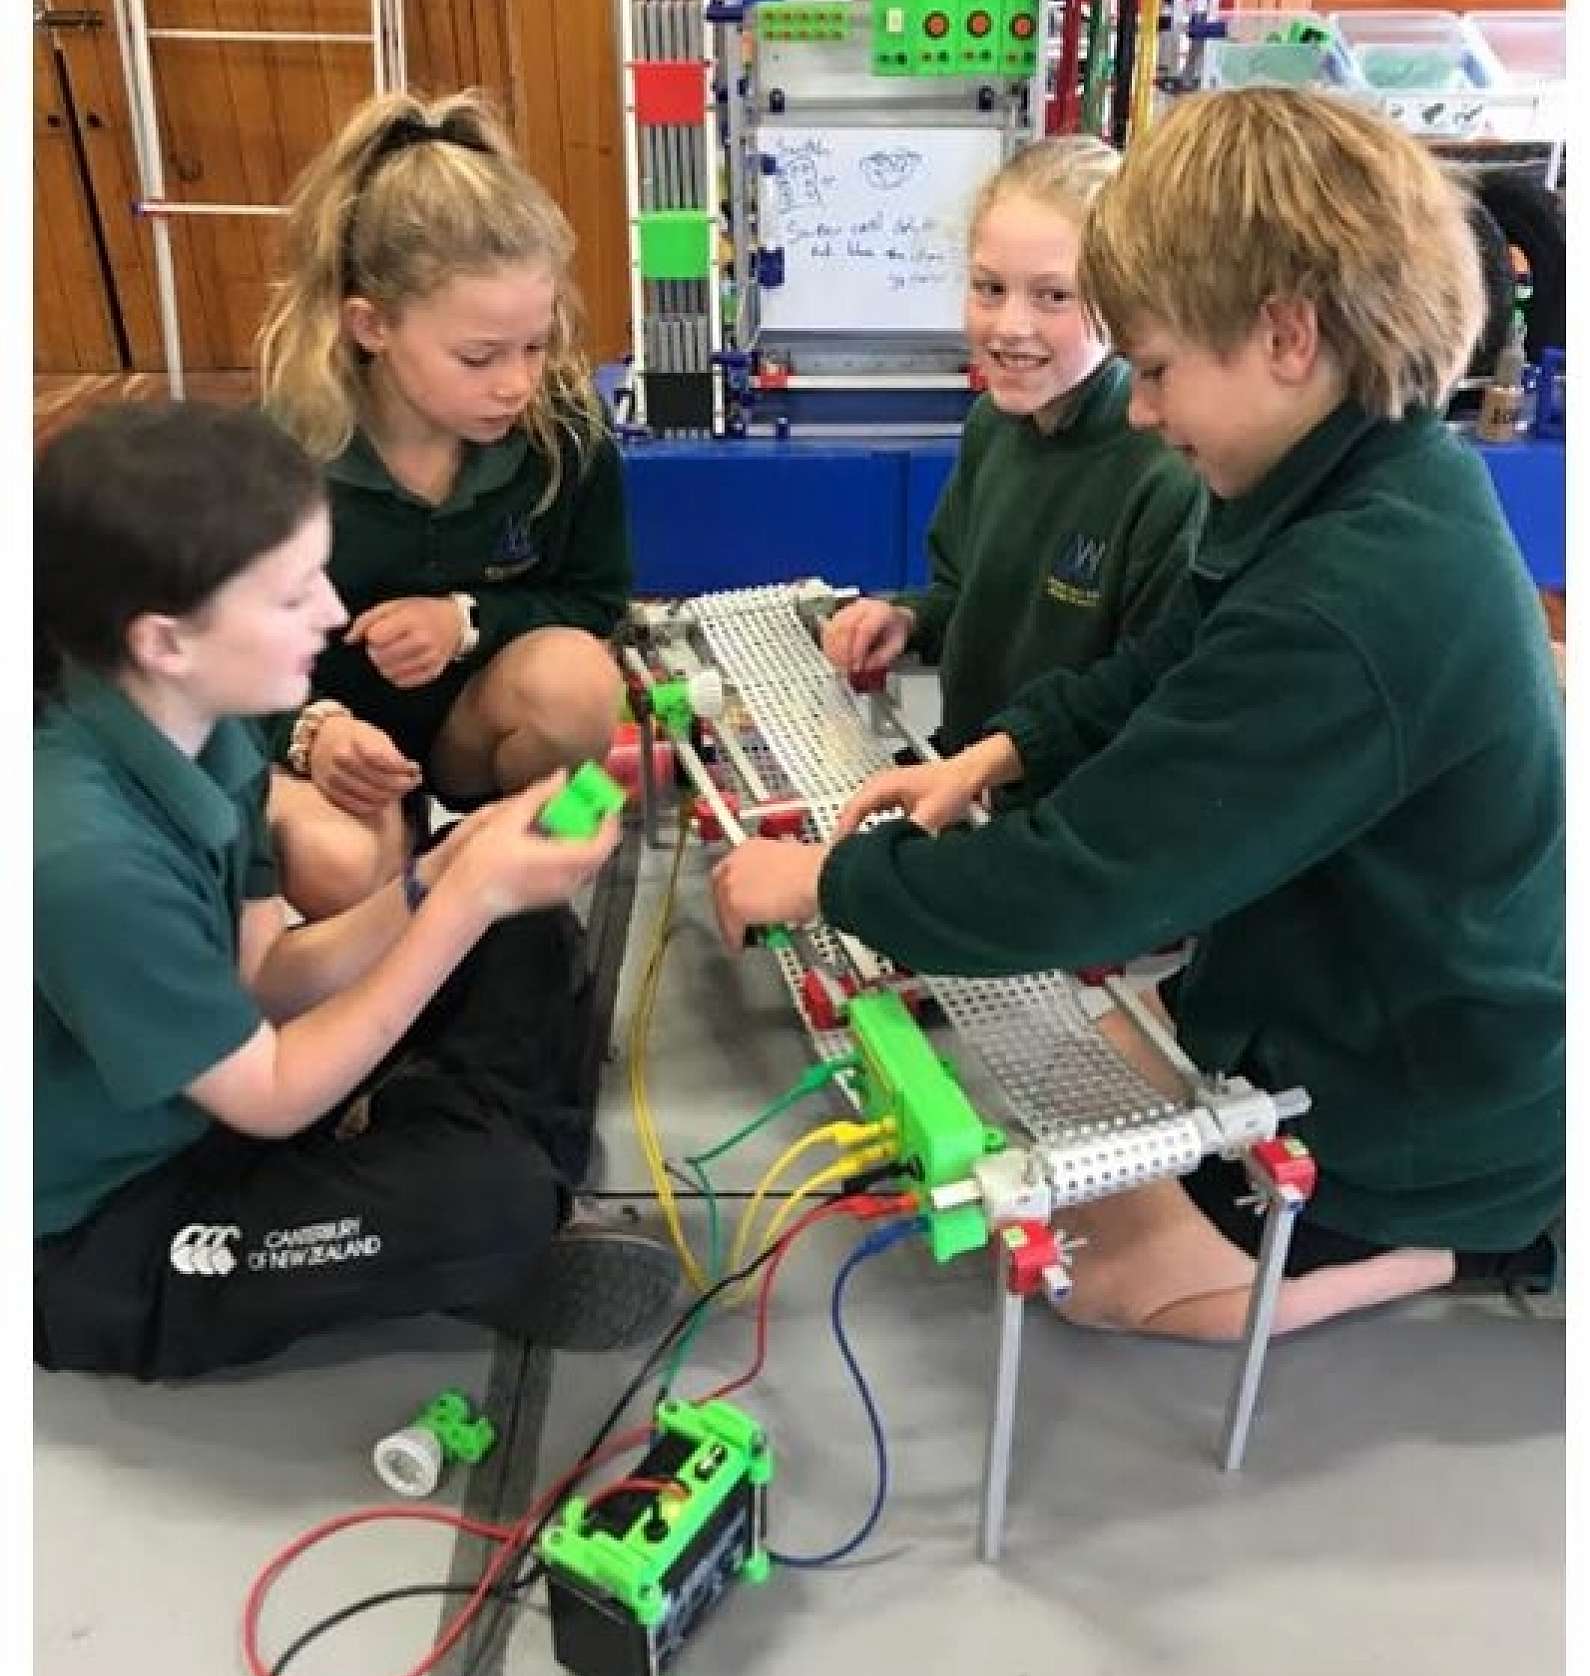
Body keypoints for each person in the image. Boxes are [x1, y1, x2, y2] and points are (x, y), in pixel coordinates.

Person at [711, 89, 1564, 1342]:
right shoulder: (1341, 466)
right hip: (1312, 977)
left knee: (1101, 1286)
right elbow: (1176, 653)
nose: (1146, 411)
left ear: (1285, 335)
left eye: (1157, 369)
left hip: (1416, 1089)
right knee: (1077, 1083)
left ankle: (1482, 1239)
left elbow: (1088, 882)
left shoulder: (1353, 597)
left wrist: (827, 883)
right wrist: (1001, 750)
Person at [35, 401, 676, 1382]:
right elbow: (270, 1094)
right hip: (103, 1226)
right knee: (487, 1197)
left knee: (522, 932)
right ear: (165, 640)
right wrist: (458, 902)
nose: (332, 614)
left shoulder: (206, 718)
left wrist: (440, 876)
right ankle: (490, 1204)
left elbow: (264, 976)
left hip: (217, 1092)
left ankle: (466, 1189)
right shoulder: (81, 856)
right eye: (293, 596)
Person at [256, 88, 631, 920]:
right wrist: (310, 733)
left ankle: (537, 885)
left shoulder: (567, 432)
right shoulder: (275, 456)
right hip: (342, 748)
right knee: (341, 870)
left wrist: (464, 621)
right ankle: (404, 894)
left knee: (582, 686)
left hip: (473, 731)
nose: (517, 383)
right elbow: (209, 667)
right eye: (478, 356)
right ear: (371, 326)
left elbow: (598, 604)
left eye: (536, 345)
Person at [820, 136, 1203, 754]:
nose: (1010, 327)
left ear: (1125, 300)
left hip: (1068, 796)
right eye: (989, 288)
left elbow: (1148, 706)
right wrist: (908, 619)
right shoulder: (992, 426)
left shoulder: (1167, 472)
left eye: (1054, 296)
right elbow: (959, 592)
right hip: (968, 768)